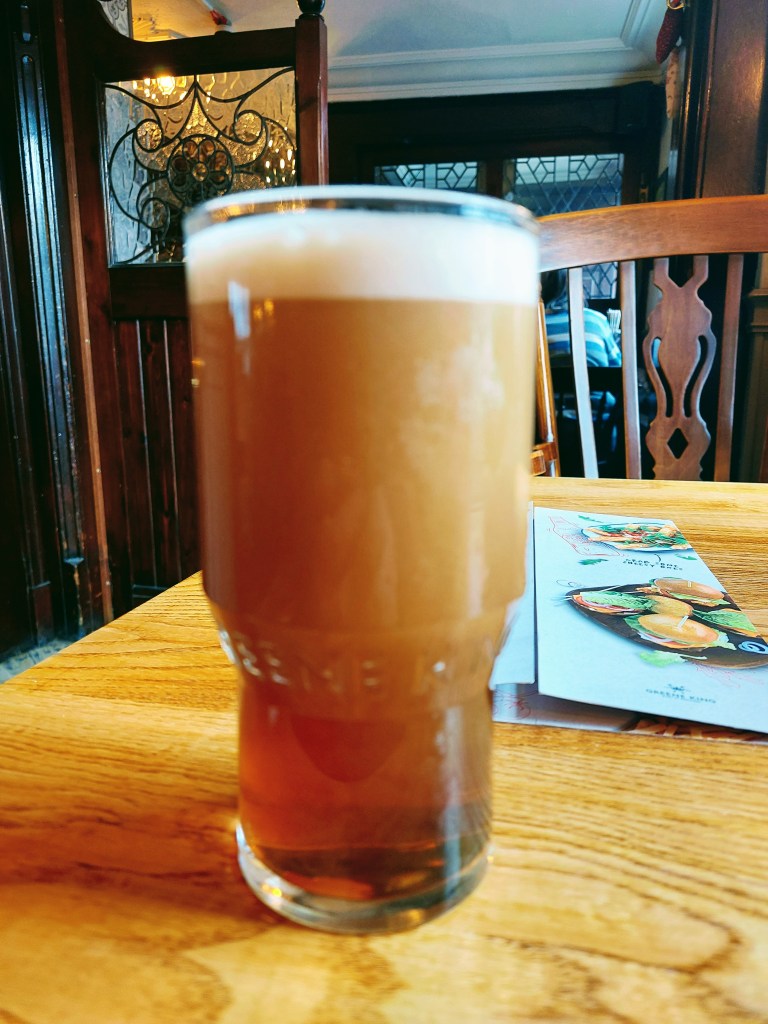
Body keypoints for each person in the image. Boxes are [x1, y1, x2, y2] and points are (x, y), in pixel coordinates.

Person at [541, 270, 622, 472]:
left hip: (544, 432)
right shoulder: (597, 321)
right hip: (598, 431)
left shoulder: (532, 324)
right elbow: (616, 370)